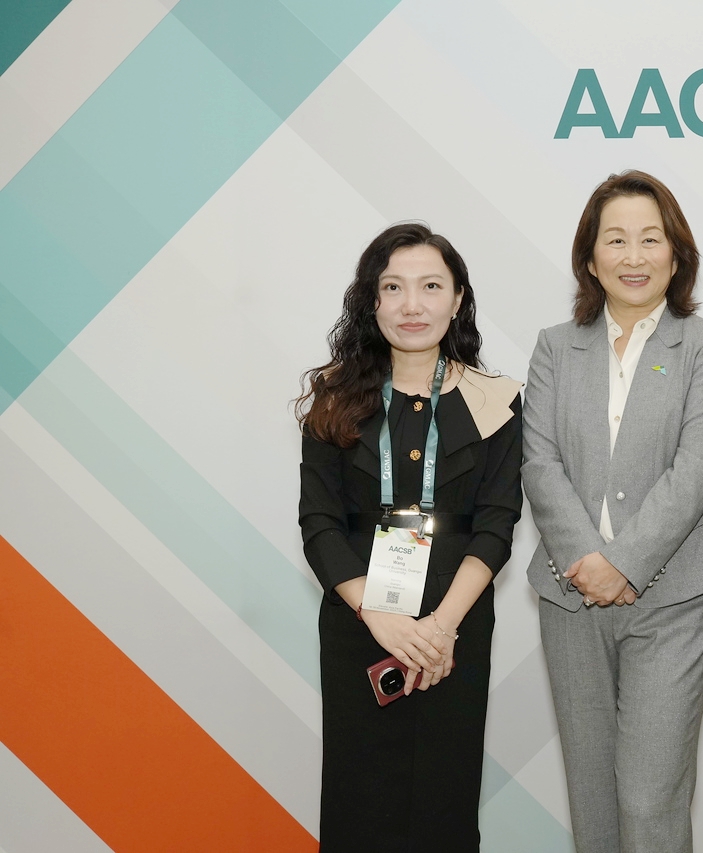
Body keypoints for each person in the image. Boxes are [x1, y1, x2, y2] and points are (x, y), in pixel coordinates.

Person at [523, 170, 703, 853]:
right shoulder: (555, 346)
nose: (634, 256)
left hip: (672, 600)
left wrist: (623, 564)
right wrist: (587, 561)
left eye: (651, 238)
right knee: (592, 798)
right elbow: (539, 462)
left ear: (676, 254)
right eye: (616, 239)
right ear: (591, 258)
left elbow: (698, 468)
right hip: (570, 597)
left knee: (649, 799)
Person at [296, 223, 522, 852]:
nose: (412, 305)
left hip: (456, 624)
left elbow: (497, 523)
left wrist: (441, 628)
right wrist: (378, 616)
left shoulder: (496, 401)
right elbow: (318, 523)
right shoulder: (335, 397)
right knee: (360, 799)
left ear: (457, 298)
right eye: (393, 287)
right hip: (360, 623)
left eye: (430, 286)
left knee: (444, 798)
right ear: (371, 301)